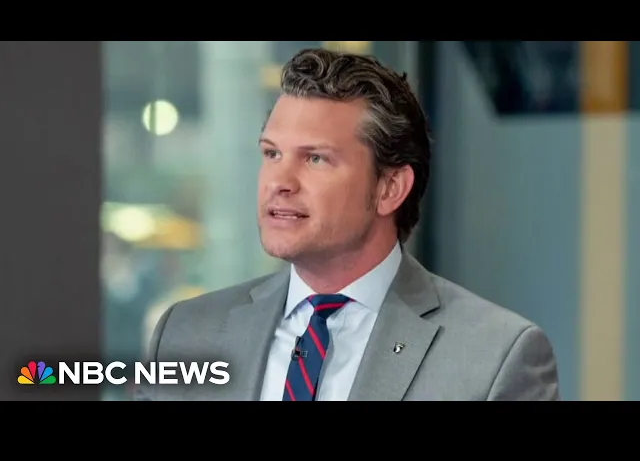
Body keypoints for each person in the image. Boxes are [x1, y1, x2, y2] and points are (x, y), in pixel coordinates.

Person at [135, 47, 560, 401]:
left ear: (390, 188)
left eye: (315, 158)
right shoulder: (185, 332)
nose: (280, 182)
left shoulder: (496, 356)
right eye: (272, 154)